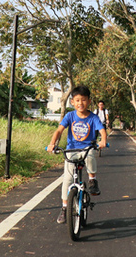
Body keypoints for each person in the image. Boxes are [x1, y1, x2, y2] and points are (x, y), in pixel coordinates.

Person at [46, 85, 108, 224]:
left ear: (89, 101)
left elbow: (102, 130)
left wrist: (103, 140)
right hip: (71, 150)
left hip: (87, 149)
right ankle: (64, 208)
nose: (81, 103)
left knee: (91, 154)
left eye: (84, 100)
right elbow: (59, 131)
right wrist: (52, 144)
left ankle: (92, 179)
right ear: (72, 102)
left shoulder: (93, 117)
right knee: (67, 180)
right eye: (77, 100)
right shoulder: (70, 116)